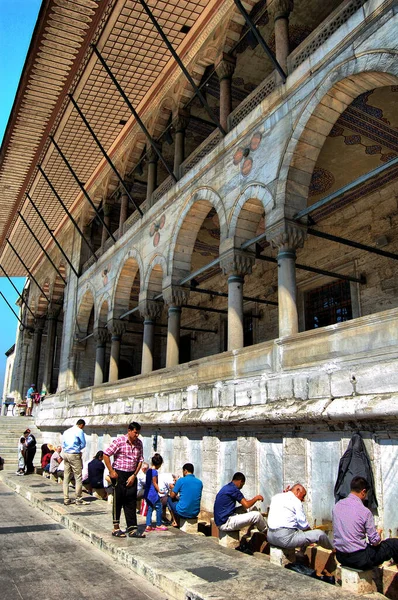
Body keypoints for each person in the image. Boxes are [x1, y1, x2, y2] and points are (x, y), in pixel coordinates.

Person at [333, 476, 398, 569]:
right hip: (359, 559)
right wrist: (378, 534)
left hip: (341, 556)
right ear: (363, 491)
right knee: (393, 544)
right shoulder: (364, 511)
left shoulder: (337, 506)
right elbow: (374, 541)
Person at [103, 422, 144, 538]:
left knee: (131, 501)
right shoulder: (120, 441)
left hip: (131, 474)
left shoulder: (139, 443)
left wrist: (134, 475)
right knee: (118, 501)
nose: (137, 435)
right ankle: (116, 528)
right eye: (135, 432)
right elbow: (106, 454)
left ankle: (132, 528)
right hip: (119, 474)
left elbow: (140, 460)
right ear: (129, 431)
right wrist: (111, 471)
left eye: (138, 433)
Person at [267, 483, 333, 550]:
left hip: (270, 537)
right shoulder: (296, 501)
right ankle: (334, 550)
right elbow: (303, 525)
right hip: (284, 539)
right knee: (319, 534)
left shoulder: (276, 497)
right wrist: (311, 535)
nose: (303, 500)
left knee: (297, 532)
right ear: (297, 490)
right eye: (303, 496)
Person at [167, 463, 203, 527]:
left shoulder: (181, 481)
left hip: (183, 511)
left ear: (185, 471)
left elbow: (172, 495)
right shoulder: (200, 482)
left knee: (169, 499)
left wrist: (172, 487)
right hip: (195, 512)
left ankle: (175, 521)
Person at [62, 419, 87, 505]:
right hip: (74, 454)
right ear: (81, 425)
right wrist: (78, 449)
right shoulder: (79, 431)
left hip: (65, 454)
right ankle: (78, 498)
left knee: (66, 477)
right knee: (78, 477)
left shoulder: (66, 431)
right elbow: (83, 444)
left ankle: (66, 498)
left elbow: (63, 443)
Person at [144, 453, 168, 532]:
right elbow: (154, 483)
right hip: (152, 493)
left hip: (147, 492)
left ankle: (148, 525)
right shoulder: (154, 472)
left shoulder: (148, 471)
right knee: (159, 507)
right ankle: (159, 524)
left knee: (150, 508)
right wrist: (159, 491)